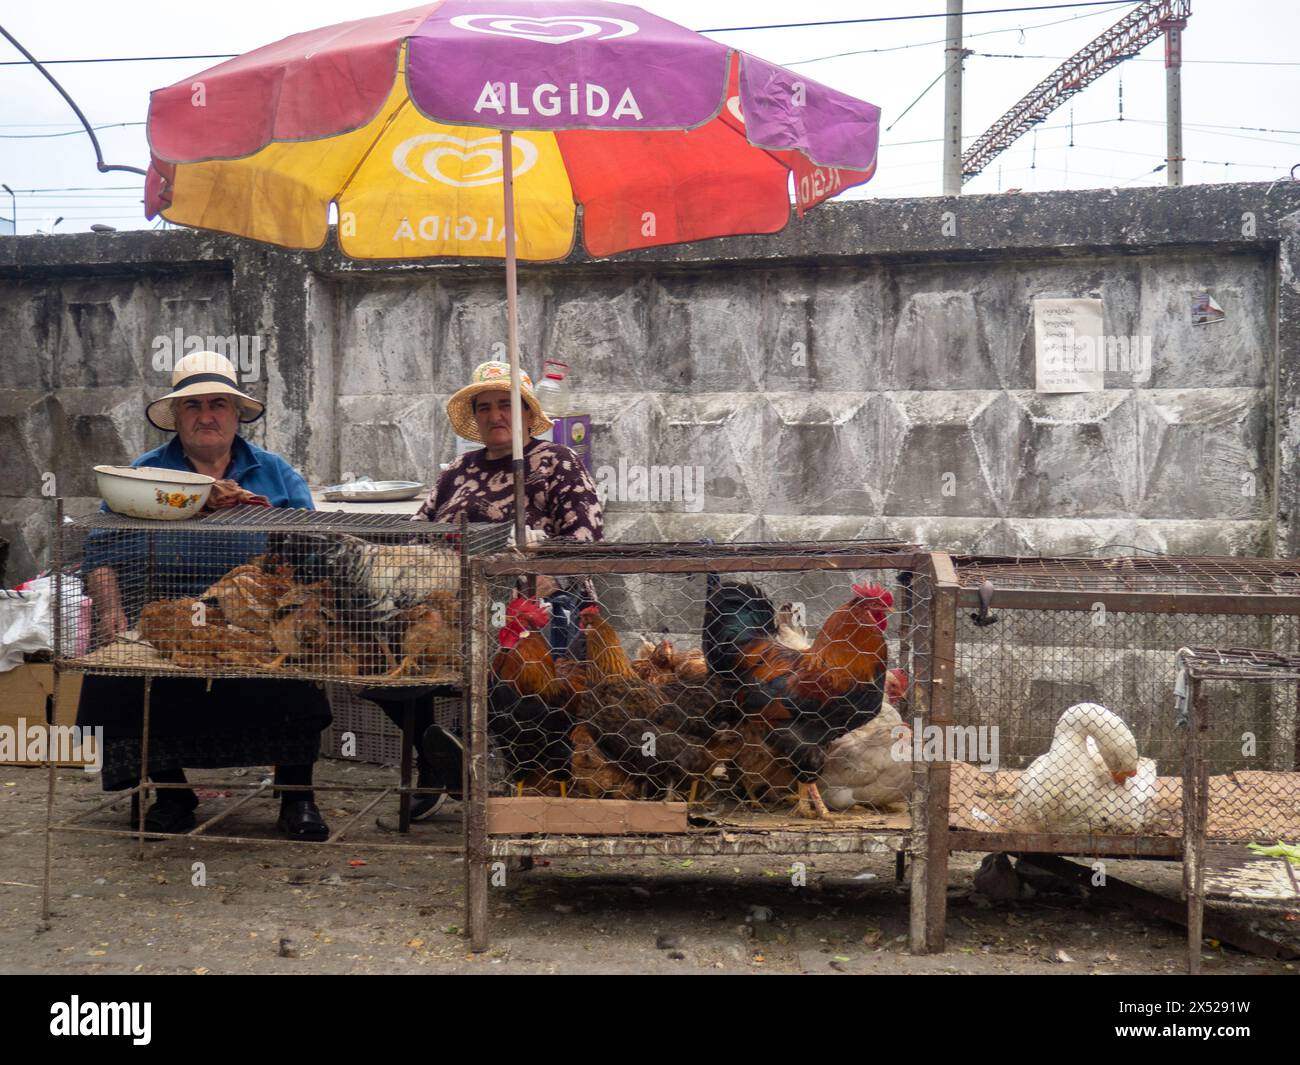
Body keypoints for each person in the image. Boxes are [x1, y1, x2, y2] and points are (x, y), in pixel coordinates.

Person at [77, 351, 332, 840]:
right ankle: (171, 794)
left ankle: (297, 795)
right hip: (168, 619)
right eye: (193, 406)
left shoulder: (275, 473)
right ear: (176, 417)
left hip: (258, 617)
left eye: (218, 403)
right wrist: (112, 612)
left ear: (237, 414)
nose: (206, 415)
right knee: (111, 676)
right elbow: (100, 550)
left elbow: (313, 546)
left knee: (297, 673)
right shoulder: (146, 474)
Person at [377, 360, 604, 819]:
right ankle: (436, 762)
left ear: (525, 413)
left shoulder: (556, 462)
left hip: (537, 602)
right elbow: (418, 530)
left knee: (520, 669)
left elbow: (587, 539)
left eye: (506, 405)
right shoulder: (457, 470)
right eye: (485, 408)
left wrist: (547, 574)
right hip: (458, 602)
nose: (495, 415)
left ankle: (515, 778)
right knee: (382, 660)